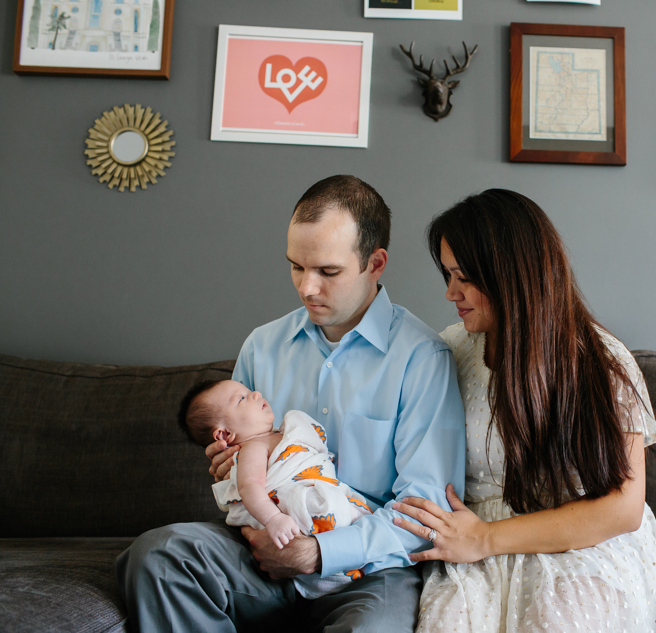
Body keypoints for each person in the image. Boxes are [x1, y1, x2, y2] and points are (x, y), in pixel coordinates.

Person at [391, 189, 656, 632]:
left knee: (563, 617)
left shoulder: (600, 361)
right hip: (472, 546)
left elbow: (623, 508)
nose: (450, 292)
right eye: (448, 274)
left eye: (463, 277)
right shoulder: (450, 350)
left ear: (511, 276)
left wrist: (487, 539)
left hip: (579, 540)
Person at [117, 175, 466, 632]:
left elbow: (423, 513)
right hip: (262, 550)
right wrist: (233, 477)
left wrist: (319, 552)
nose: (306, 288)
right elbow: (236, 472)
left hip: (367, 570)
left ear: (375, 263)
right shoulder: (262, 346)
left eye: (327, 271)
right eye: (296, 267)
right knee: (157, 558)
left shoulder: (422, 357)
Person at [177, 379, 371, 567]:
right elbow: (249, 486)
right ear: (225, 434)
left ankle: (350, 542)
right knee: (328, 509)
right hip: (294, 505)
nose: (256, 393)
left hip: (323, 485)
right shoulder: (252, 448)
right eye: (242, 398)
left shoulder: (282, 433)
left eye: (249, 391)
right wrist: (273, 518)